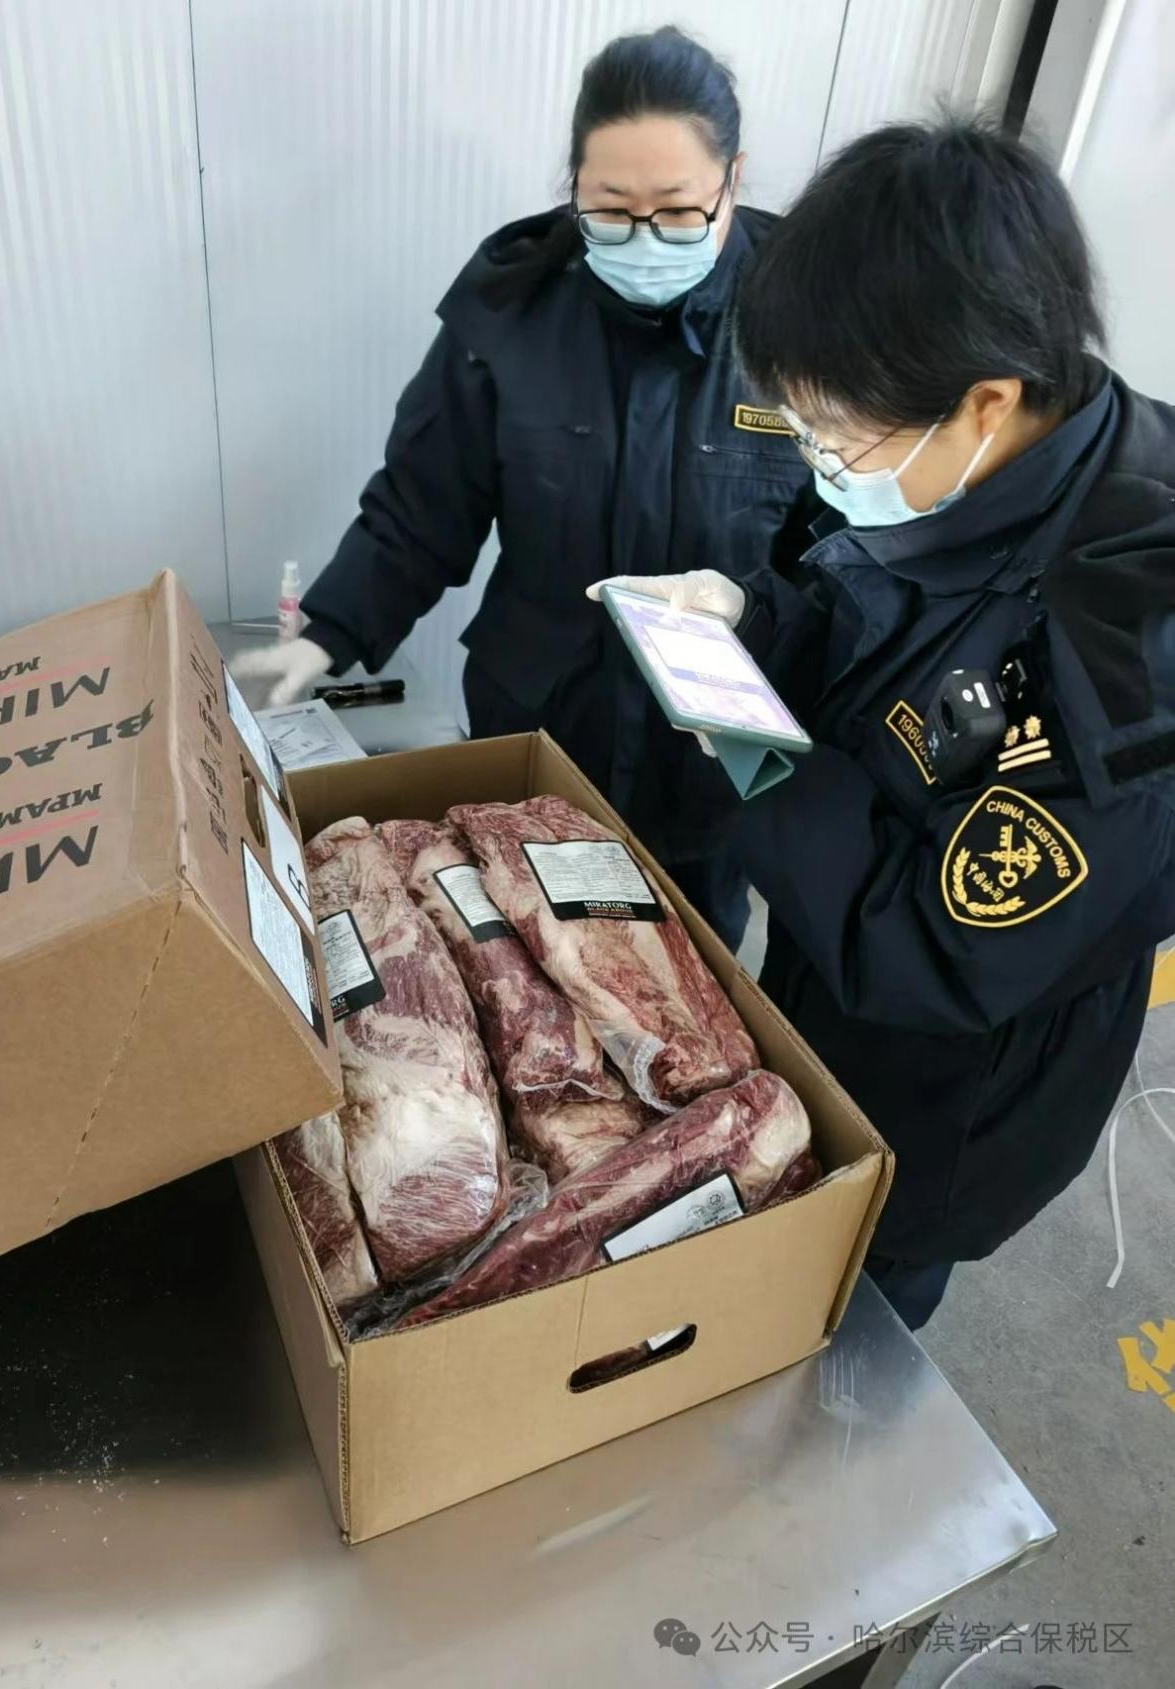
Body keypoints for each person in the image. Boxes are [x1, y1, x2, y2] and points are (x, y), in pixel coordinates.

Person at [594, 118, 1175, 1327]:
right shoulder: (961, 459)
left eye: (832, 434)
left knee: (859, 1291)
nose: (818, 460)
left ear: (986, 402)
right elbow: (859, 600)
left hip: (953, 1081)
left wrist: (751, 745)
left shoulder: (1127, 658)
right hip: (832, 955)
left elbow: (935, 950)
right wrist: (748, 618)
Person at [234, 26, 815, 949]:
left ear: (733, 182)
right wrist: (324, 638)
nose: (643, 239)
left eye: (677, 213)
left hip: (711, 759)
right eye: (610, 211)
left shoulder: (806, 321)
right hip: (541, 723)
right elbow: (422, 506)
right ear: (573, 186)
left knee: (687, 976)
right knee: (525, 960)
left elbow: (846, 556)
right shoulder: (513, 312)